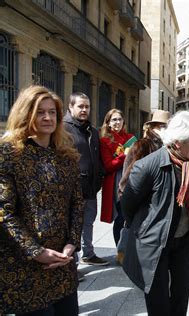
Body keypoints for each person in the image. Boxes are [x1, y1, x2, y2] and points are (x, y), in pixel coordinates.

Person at [0, 85, 84, 315]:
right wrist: (35, 251)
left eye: (52, 112)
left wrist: (72, 244)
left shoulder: (66, 156)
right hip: (24, 266)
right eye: (39, 112)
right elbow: (3, 213)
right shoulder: (9, 154)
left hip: (62, 264)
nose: (47, 117)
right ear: (26, 114)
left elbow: (77, 203)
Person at [121, 111, 189, 316]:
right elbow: (127, 206)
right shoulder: (147, 166)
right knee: (158, 303)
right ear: (178, 142)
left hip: (183, 241)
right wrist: (146, 229)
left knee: (181, 296)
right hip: (155, 245)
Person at [115, 110, 170, 265]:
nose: (166, 130)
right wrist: (128, 204)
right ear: (156, 127)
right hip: (143, 203)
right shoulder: (142, 146)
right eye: (164, 126)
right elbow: (127, 179)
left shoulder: (169, 146)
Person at [64, 92, 109, 268]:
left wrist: (99, 177)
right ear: (71, 107)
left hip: (90, 188)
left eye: (87, 107)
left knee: (88, 222)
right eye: (80, 106)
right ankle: (71, 264)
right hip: (71, 190)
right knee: (71, 225)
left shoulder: (92, 131)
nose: (84, 110)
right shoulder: (63, 129)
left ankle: (88, 254)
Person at [99, 109, 135, 247]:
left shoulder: (130, 138)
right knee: (120, 217)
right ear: (108, 123)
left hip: (132, 180)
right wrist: (125, 155)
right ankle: (120, 251)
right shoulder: (105, 140)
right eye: (114, 120)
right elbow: (108, 166)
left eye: (120, 119)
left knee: (131, 216)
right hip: (117, 182)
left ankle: (130, 249)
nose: (117, 122)